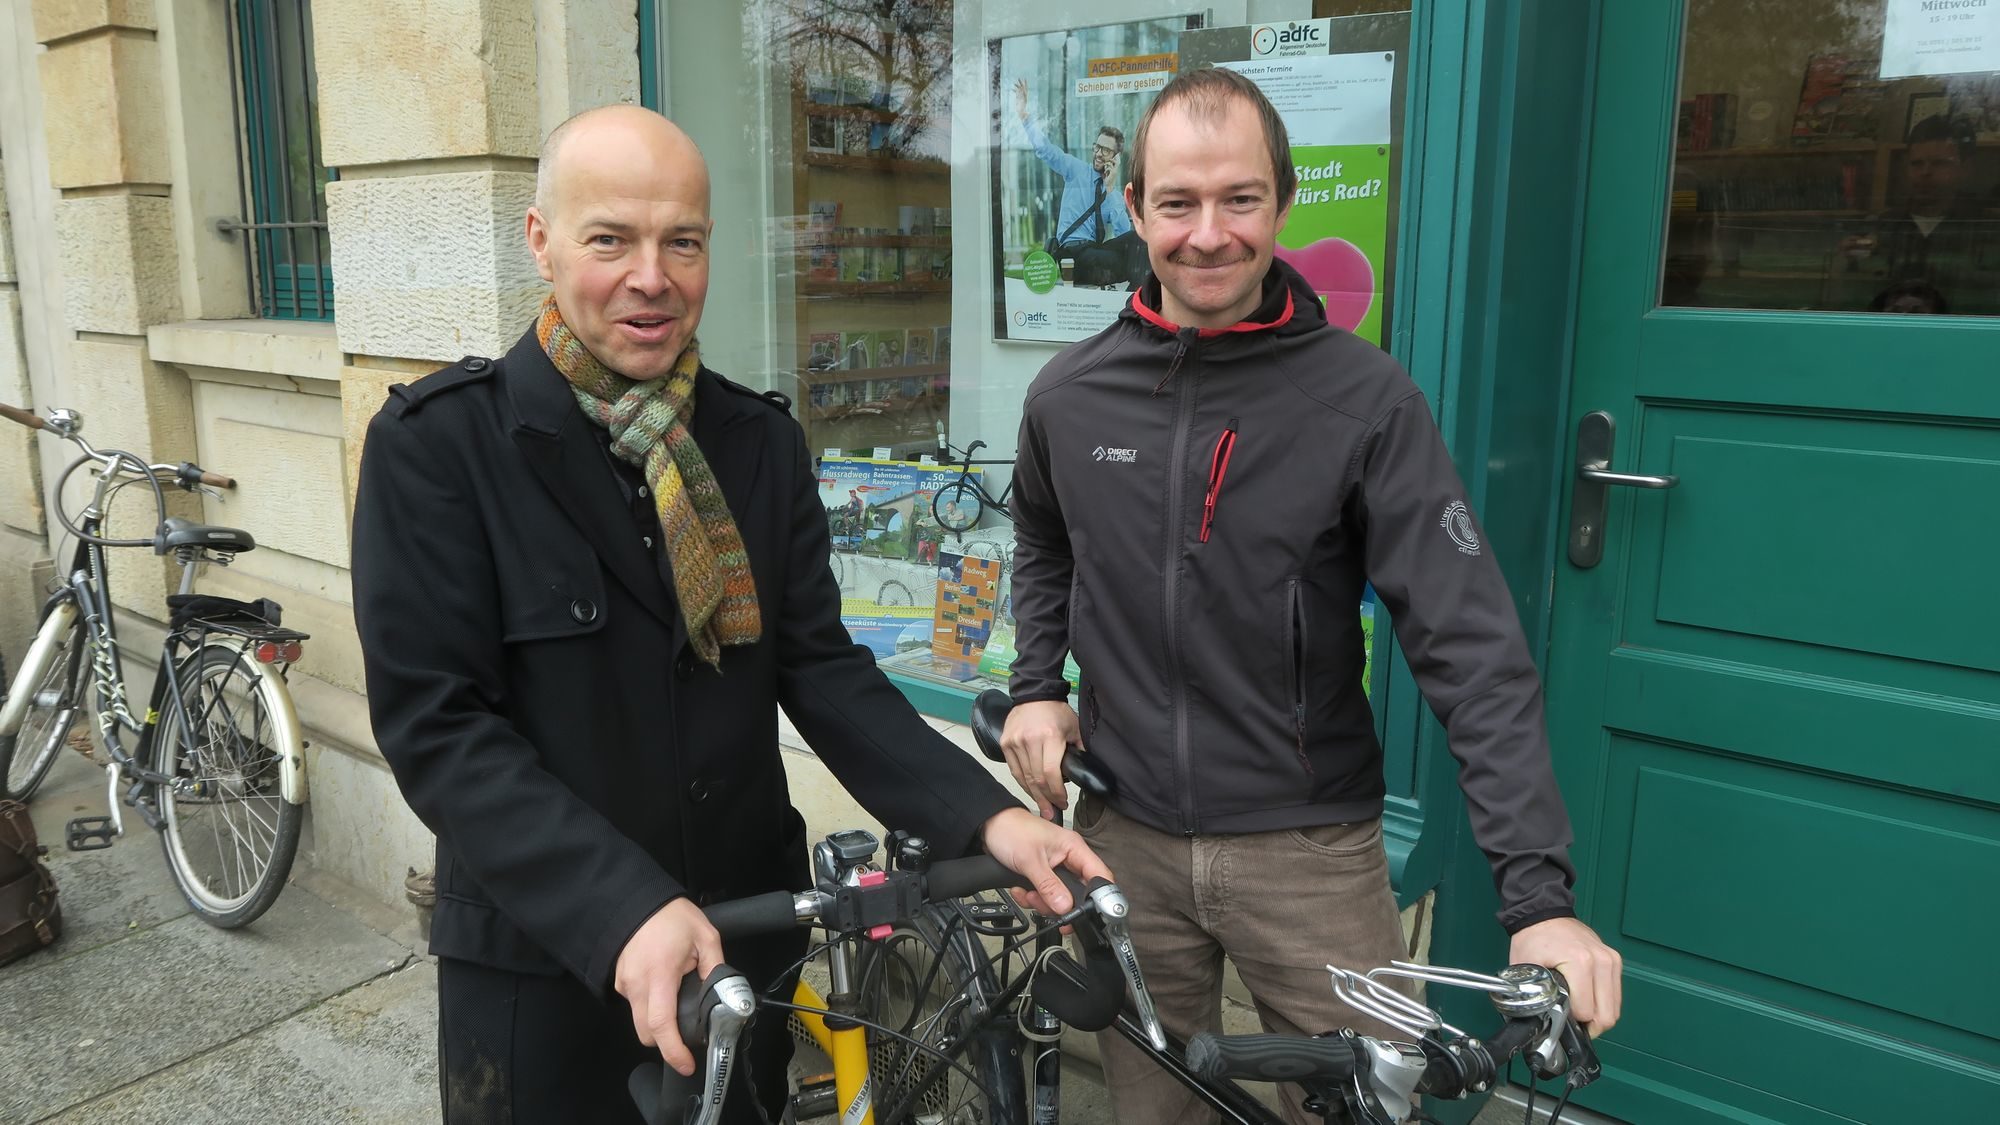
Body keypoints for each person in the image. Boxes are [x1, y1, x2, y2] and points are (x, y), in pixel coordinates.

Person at [350, 104, 1108, 1125]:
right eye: (610, 239)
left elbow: (821, 670)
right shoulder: (441, 447)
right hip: (548, 971)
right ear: (541, 240)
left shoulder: (755, 443)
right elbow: (438, 729)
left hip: (745, 947)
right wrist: (622, 906)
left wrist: (987, 818)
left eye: (683, 242)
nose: (651, 277)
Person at [997, 68, 1623, 1125]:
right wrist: (1034, 686)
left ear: (1282, 202)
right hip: (1122, 833)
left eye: (1238, 199)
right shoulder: (1068, 395)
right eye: (1177, 203)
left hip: (1307, 851)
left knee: (1370, 1108)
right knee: (1151, 1111)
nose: (1207, 235)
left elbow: (1469, 647)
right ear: (1134, 207)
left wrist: (1539, 901)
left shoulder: (1363, 401)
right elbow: (1045, 540)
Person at [1845, 115, 1998, 314]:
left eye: (1939, 163)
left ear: (1966, 168)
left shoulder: (1989, 228)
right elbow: (1855, 298)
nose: (1925, 172)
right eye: (1916, 164)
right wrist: (1848, 261)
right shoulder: (1882, 226)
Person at [1013, 77, 1144, 287]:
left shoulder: (1112, 193)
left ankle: (1134, 296)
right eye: (1097, 147)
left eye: (1106, 150)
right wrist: (1024, 116)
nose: (1099, 154)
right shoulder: (1076, 170)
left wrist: (1110, 188)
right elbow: (1047, 151)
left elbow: (1122, 233)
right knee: (1117, 261)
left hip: (1094, 251)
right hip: (1072, 254)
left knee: (1139, 242)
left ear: (1116, 157)